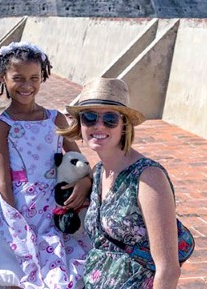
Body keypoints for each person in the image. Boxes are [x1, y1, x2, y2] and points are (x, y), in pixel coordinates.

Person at [59, 78, 181, 288]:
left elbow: (168, 270)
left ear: (124, 125)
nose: (98, 125)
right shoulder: (99, 173)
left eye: (109, 119)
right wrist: (86, 182)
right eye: (89, 117)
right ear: (80, 124)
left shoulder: (148, 177)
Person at [0, 42, 92, 289]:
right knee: (26, 273)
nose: (27, 85)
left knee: (66, 271)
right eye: (18, 78)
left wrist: (86, 181)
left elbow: (79, 162)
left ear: (43, 77)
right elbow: (3, 182)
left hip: (57, 207)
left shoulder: (55, 118)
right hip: (22, 212)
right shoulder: (2, 126)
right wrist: (17, 224)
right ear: (3, 77)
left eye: (34, 77)